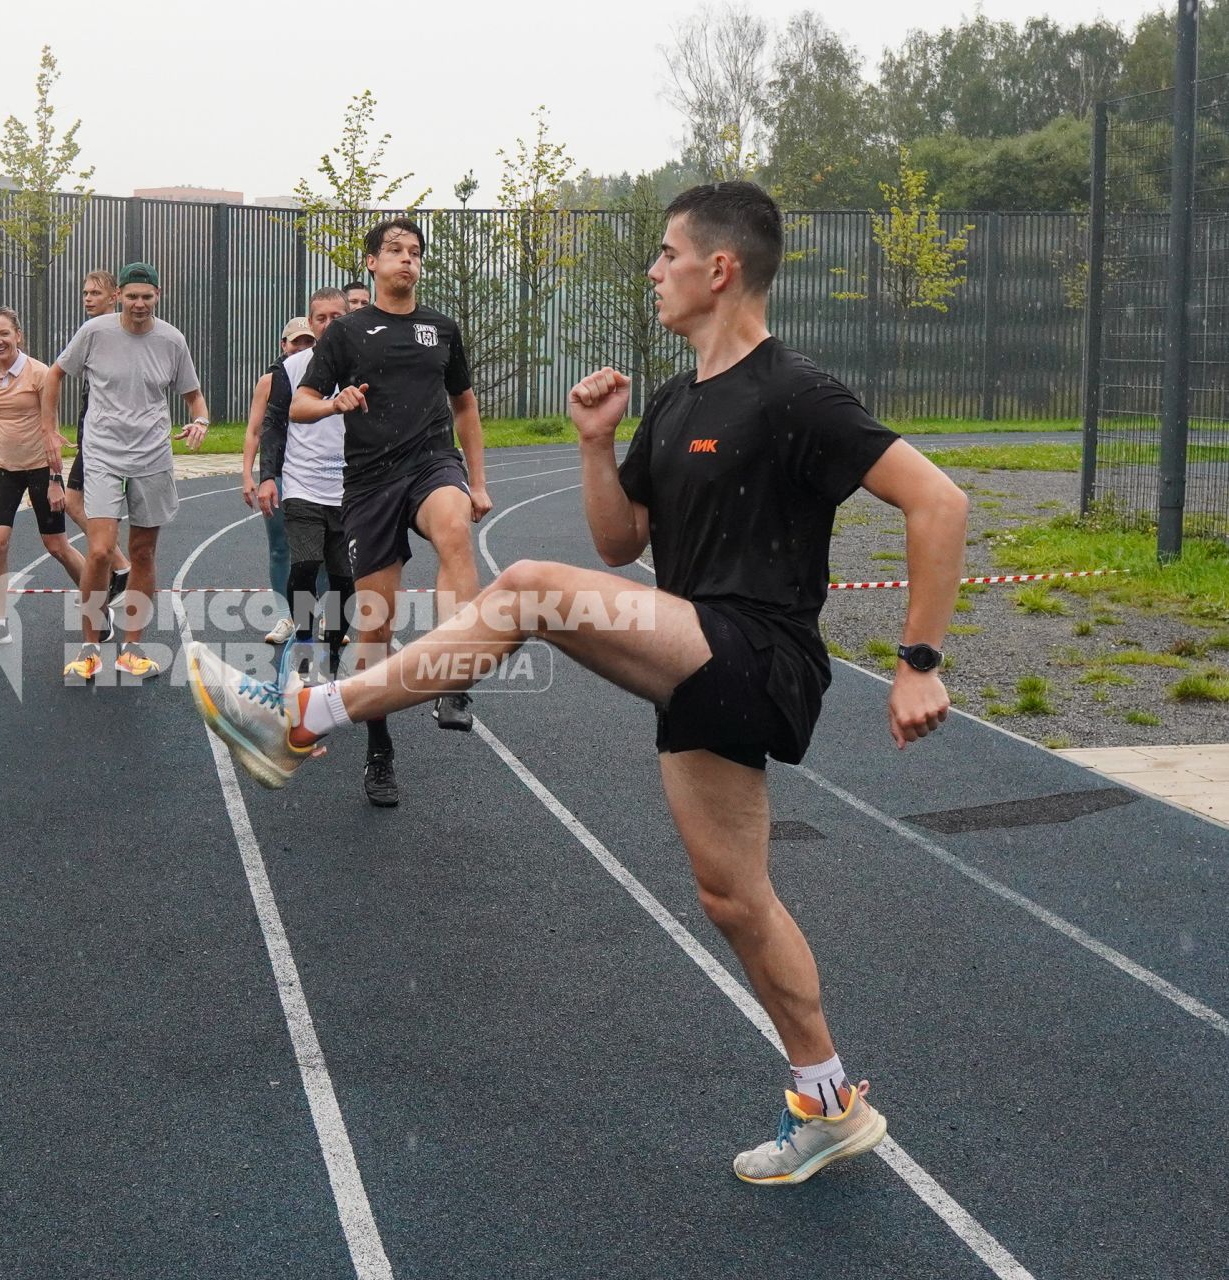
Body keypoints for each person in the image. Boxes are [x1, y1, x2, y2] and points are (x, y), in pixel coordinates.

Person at [187, 181, 970, 1184]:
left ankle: (303, 715)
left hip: (755, 649)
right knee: (732, 898)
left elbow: (936, 502)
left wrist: (916, 662)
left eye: (665, 254)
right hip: (694, 663)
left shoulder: (791, 390)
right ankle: (826, 1098)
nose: (651, 271)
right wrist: (595, 444)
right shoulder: (679, 397)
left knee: (527, 589)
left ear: (717, 268)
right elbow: (618, 538)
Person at [293, 216, 492, 806]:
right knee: (374, 626)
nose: (407, 259)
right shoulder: (345, 334)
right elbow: (300, 404)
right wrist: (333, 404)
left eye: (415, 252)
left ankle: (453, 678)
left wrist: (477, 480)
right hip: (370, 482)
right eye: (395, 251)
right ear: (373, 264)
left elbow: (465, 405)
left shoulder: (442, 330)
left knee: (455, 528)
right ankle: (379, 752)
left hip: (432, 462)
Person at [42, 261, 210, 682]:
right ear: (118, 296)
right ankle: (89, 647)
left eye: (146, 297)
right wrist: (49, 429)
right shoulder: (95, 333)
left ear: (158, 296)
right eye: (132, 296)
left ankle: (132, 648)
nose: (139, 304)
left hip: (152, 456)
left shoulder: (172, 340)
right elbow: (55, 374)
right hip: (102, 454)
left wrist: (201, 421)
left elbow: (194, 396)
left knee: (142, 553)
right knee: (99, 550)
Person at [0, 306, 86, 649]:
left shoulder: (40, 373)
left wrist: (54, 478)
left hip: (40, 469)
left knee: (57, 546)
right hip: (5, 470)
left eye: (4, 333)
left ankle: (96, 599)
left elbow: (52, 429)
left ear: (18, 335)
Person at [258, 288, 353, 676]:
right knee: (306, 562)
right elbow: (273, 425)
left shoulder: (367, 363)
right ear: (311, 324)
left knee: (344, 582)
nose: (329, 325)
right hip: (302, 484)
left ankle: (331, 657)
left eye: (337, 317)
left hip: (350, 487)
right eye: (321, 318)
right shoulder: (291, 369)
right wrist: (267, 477)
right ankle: (302, 639)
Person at [242, 315, 323, 646]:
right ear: (283, 345)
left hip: (316, 473)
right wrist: (249, 474)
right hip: (279, 472)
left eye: (308, 342)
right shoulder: (270, 381)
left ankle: (325, 615)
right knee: (280, 547)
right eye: (296, 342)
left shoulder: (325, 375)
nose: (302, 347)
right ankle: (284, 617)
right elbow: (254, 430)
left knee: (323, 548)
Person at [62, 270, 131, 617]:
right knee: (75, 503)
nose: (87, 298)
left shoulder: (117, 331)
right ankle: (115, 570)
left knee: (74, 502)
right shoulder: (90, 332)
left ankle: (121, 566)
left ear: (113, 296)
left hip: (108, 438)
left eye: (94, 293)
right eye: (84, 292)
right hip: (91, 431)